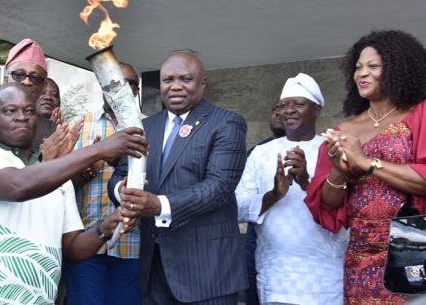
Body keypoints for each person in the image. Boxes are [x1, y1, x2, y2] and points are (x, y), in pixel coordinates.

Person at [304, 30, 426, 304]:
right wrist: (339, 169)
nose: (362, 74)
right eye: (358, 67)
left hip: (415, 252)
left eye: (373, 66)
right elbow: (329, 205)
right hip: (359, 260)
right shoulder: (345, 129)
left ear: (397, 69)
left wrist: (367, 162)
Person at [0, 83, 148, 303]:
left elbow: (73, 248)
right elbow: (18, 186)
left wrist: (104, 228)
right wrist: (99, 149)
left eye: (29, 111)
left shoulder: (58, 178)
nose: (22, 117)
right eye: (10, 111)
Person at [109, 52, 248, 304]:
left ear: (203, 83)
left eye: (186, 79)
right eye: (167, 79)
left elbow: (220, 187)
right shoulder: (143, 127)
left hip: (207, 272)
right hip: (155, 270)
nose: (175, 86)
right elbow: (119, 174)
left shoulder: (227, 123)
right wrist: (122, 190)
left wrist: (159, 205)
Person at [235, 73, 347, 305]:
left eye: (298, 104)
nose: (288, 110)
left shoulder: (334, 150)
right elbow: (237, 207)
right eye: (284, 105)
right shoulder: (261, 153)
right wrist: (273, 195)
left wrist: (307, 182)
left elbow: (346, 210)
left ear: (317, 110)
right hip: (276, 276)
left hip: (325, 277)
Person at [64, 62, 142, 305]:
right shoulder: (78, 125)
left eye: (126, 83)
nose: (117, 88)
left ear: (136, 91)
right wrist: (90, 165)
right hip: (86, 244)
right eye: (110, 82)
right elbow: (62, 183)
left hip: (132, 247)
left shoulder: (149, 128)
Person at [0, 38, 57, 152]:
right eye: (18, 74)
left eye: (35, 77)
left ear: (44, 86)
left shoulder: (51, 130)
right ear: (6, 80)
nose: (27, 82)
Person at [242, 99, 285, 305]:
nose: (278, 114)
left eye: (284, 109)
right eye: (275, 109)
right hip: (256, 239)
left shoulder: (314, 149)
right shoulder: (254, 153)